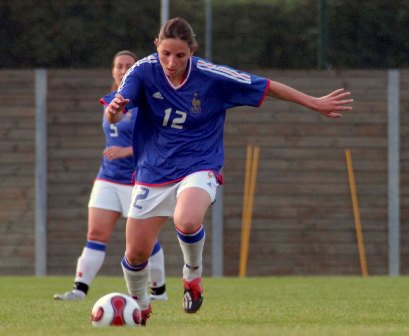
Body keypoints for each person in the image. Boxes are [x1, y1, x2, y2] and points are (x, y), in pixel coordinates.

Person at [101, 17, 353, 325]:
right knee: (136, 253)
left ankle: (192, 276)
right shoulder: (143, 70)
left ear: (192, 50)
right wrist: (114, 112)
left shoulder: (210, 76)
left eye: (180, 55)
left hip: (199, 163)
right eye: (166, 53)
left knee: (188, 219)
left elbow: (267, 86)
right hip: (153, 169)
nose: (171, 61)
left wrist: (313, 102)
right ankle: (139, 307)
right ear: (157, 46)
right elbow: (115, 111)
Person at [54, 50, 168, 302]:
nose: (123, 69)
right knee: (95, 234)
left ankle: (158, 292)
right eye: (119, 65)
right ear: (112, 70)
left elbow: (159, 140)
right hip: (107, 177)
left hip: (137, 180)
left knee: (144, 240)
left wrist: (127, 150)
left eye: (129, 65)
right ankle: (79, 290)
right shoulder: (111, 99)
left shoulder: (146, 101)